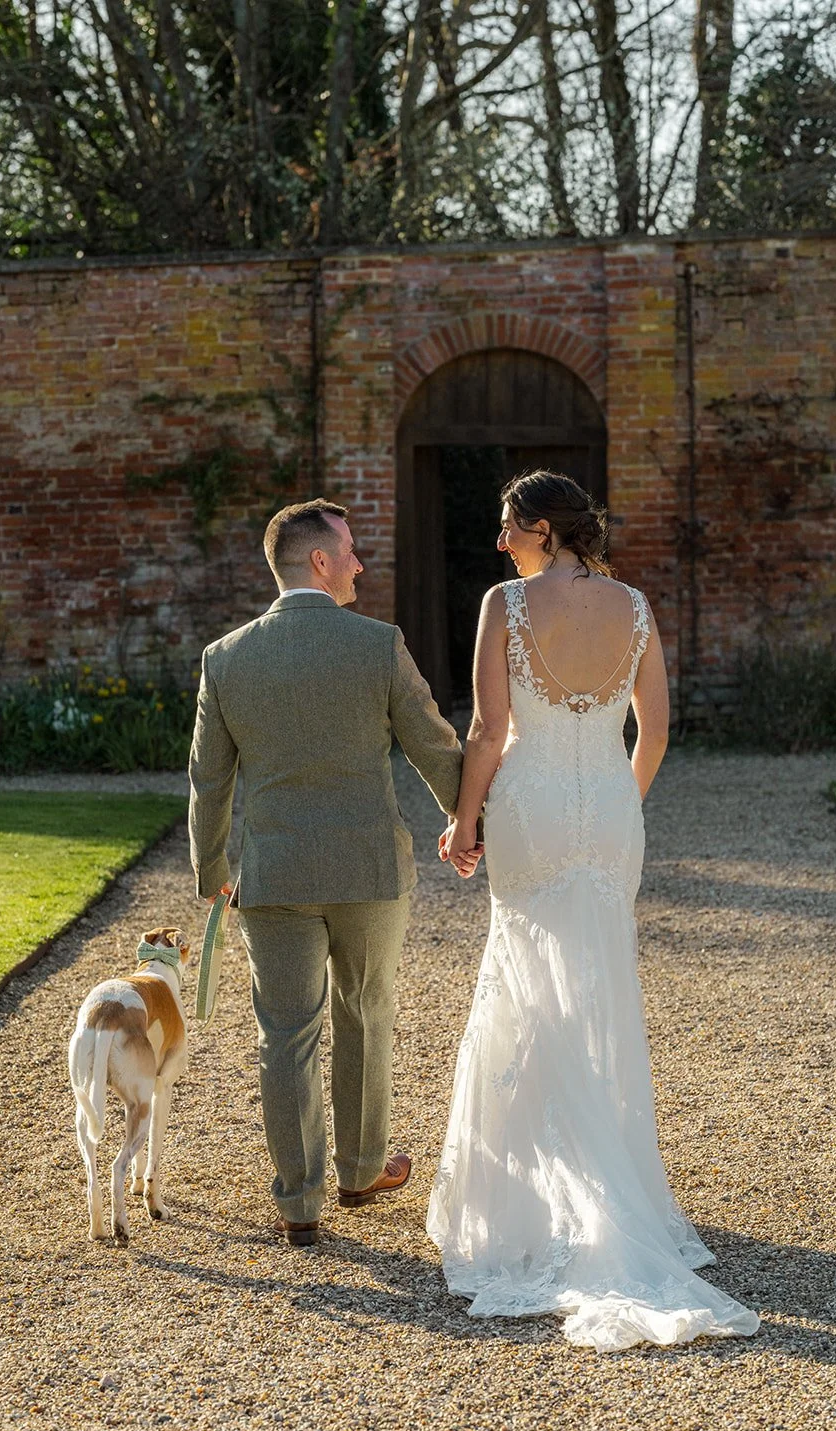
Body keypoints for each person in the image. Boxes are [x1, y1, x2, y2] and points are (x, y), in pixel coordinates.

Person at [428, 470, 760, 1351]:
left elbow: (489, 732)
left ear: (539, 528)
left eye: (507, 527)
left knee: (526, 986)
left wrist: (463, 821)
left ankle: (534, 1209)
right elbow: (652, 730)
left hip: (531, 805)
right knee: (599, 990)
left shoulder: (506, 603)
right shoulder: (636, 606)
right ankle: (610, 1192)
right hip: (609, 810)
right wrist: (623, 800)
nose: (499, 543)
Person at [188, 499, 468, 1246]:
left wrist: (211, 869)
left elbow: (208, 783)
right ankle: (361, 1169)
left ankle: (297, 1203)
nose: (358, 564)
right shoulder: (377, 645)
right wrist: (466, 822)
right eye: (348, 551)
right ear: (318, 560)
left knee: (284, 1036)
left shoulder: (226, 656)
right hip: (368, 870)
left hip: (274, 875)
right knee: (366, 1014)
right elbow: (433, 745)